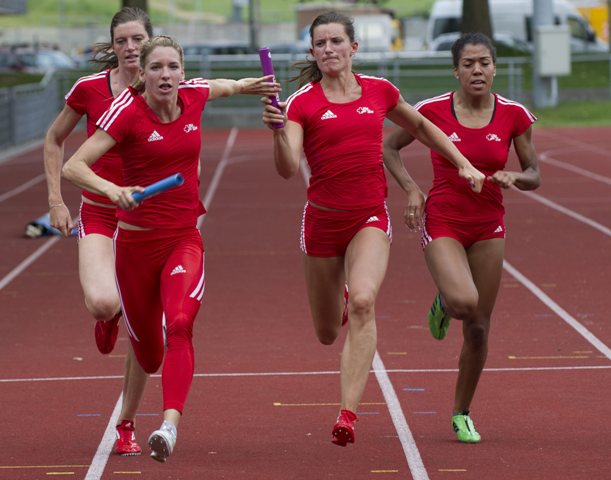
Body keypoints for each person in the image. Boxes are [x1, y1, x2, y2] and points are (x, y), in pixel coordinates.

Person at [260, 11, 485, 447]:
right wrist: (275, 133)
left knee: (364, 301)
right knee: (327, 332)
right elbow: (288, 168)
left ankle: (348, 413)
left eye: (336, 42)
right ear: (312, 52)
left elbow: (420, 125)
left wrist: (463, 162)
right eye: (320, 43)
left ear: (353, 48)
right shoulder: (301, 103)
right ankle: (339, 300)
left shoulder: (380, 91)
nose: (329, 49)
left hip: (368, 218)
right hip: (322, 223)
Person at [62, 35, 280, 463]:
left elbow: (222, 86)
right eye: (157, 68)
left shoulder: (193, 94)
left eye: (173, 68)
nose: (166, 75)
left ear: (183, 72)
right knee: (149, 353)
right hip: (136, 246)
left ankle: (168, 427)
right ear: (141, 74)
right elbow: (74, 165)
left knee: (180, 322)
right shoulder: (126, 112)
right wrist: (114, 190)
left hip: (182, 239)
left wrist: (248, 85)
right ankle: (117, 342)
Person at [383, 32, 541, 443]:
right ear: (456, 70)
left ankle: (461, 412)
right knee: (464, 302)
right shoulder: (432, 110)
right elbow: (390, 148)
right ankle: (446, 299)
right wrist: (412, 189)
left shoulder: (514, 115)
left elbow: (534, 173)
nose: (477, 70)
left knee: (478, 328)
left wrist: (516, 177)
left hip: (490, 224)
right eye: (468, 64)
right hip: (444, 220)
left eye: (485, 63)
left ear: (495, 67)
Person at [43, 7, 154, 456]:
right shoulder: (89, 90)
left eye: (138, 39)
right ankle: (110, 316)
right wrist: (55, 199)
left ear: (151, 41)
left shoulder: (167, 85)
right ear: (113, 46)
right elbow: (55, 140)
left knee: (147, 328)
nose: (131, 48)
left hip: (149, 222)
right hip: (100, 213)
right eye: (123, 40)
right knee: (105, 302)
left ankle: (126, 423)